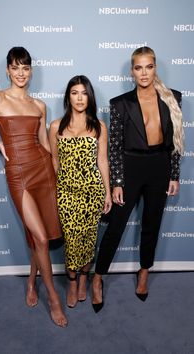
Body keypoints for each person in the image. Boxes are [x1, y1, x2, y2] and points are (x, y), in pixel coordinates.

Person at [0, 46, 67, 327]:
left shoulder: (39, 106)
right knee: (41, 238)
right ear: (8, 70)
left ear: (31, 71)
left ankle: (32, 281)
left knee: (36, 236)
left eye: (26, 68)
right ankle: (54, 299)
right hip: (18, 173)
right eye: (16, 68)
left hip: (43, 171)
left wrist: (56, 173)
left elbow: (45, 144)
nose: (21, 73)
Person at [92, 46, 184, 312]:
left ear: (155, 68)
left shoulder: (173, 98)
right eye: (138, 67)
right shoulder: (120, 104)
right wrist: (117, 181)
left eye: (149, 67)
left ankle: (144, 272)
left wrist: (174, 174)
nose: (144, 73)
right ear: (132, 71)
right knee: (116, 227)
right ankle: (98, 278)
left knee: (151, 224)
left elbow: (177, 141)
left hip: (160, 166)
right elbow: (115, 147)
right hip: (131, 168)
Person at [49, 75, 112, 308]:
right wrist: (59, 190)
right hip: (66, 194)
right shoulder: (56, 126)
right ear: (68, 97)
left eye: (84, 93)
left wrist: (106, 193)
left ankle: (84, 278)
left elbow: (102, 162)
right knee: (71, 240)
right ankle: (72, 281)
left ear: (90, 96)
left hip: (92, 192)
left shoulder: (98, 126)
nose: (79, 98)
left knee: (88, 240)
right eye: (75, 92)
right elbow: (54, 160)